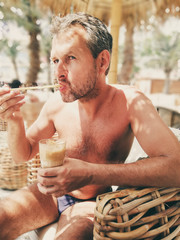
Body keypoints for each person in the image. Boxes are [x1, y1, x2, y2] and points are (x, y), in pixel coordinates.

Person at [0, 13, 179, 240]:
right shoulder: (56, 103)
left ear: (102, 61)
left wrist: (89, 173)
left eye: (70, 58)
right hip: (51, 196)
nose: (58, 73)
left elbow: (176, 167)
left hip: (95, 202)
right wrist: (14, 118)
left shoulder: (132, 103)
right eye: (55, 60)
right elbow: (22, 154)